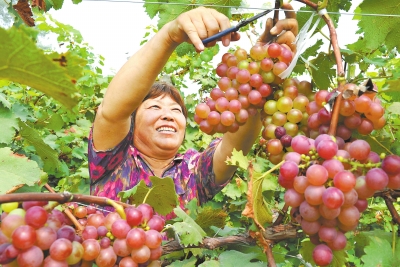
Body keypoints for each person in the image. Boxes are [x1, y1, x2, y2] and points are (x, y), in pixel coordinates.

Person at [88, 4, 298, 215]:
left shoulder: (193, 172)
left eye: (176, 110)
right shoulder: (113, 160)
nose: (168, 115)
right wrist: (169, 36)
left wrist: (261, 71)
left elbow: (235, 145)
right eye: (155, 106)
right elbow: (112, 112)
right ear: (131, 122)